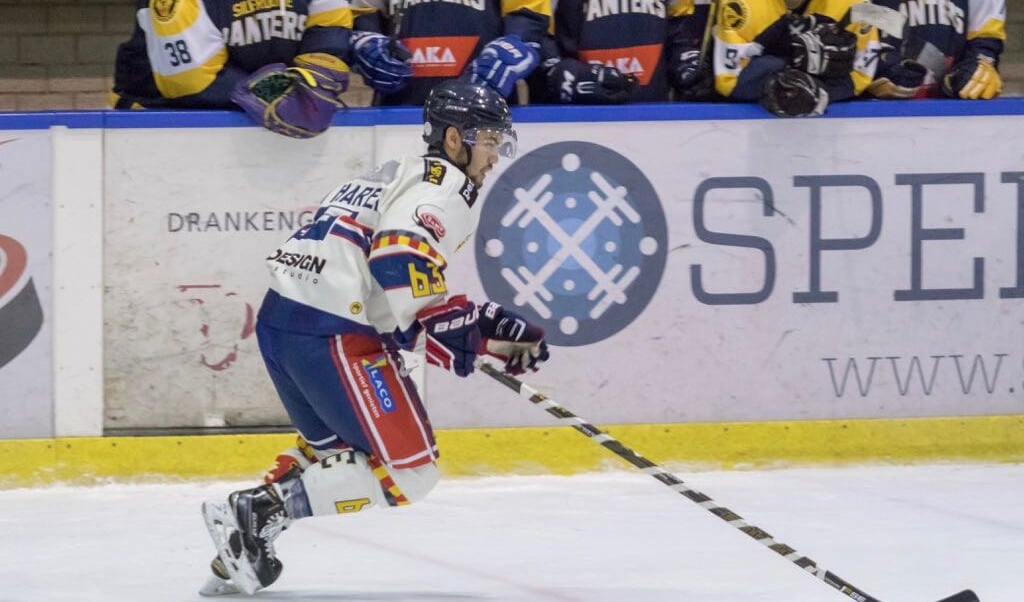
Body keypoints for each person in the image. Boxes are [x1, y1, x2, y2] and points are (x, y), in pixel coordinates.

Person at [200, 80, 551, 596]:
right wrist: (466, 331)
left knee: (338, 456)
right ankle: (257, 512)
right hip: (333, 330)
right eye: (490, 141)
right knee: (411, 473)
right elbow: (400, 259)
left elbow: (395, 283)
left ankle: (237, 553)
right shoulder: (445, 184)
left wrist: (483, 328)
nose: (495, 155)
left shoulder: (398, 172)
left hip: (284, 322)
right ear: (454, 139)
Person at [109, 0, 413, 138]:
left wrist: (351, 45)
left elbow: (328, 25)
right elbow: (189, 81)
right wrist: (282, 96)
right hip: (158, 130)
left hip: (270, 135)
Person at [350, 0, 552, 105]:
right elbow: (364, 12)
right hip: (399, 106)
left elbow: (528, 13)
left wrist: (513, 44)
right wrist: (367, 42)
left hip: (484, 105)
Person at [710, 0, 881, 117]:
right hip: (754, 136)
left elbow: (860, 75)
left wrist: (822, 89)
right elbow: (730, 83)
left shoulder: (854, 5)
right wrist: (788, 65)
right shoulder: (742, 6)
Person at [530, 0, 699, 103]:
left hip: (654, 117)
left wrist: (685, 60)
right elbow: (534, 30)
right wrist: (554, 71)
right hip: (577, 119)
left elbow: (678, 31)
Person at [866, 0, 1006, 100]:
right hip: (870, 112)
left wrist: (981, 64)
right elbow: (847, 33)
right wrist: (871, 68)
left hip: (951, 113)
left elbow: (984, 42)